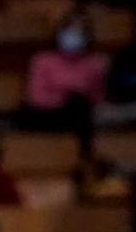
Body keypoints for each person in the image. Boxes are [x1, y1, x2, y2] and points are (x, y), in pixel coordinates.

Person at [24, 10, 108, 154]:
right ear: (60, 32)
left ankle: (83, 156)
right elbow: (36, 98)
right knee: (76, 102)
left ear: (87, 36)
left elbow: (98, 99)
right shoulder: (42, 60)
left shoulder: (94, 65)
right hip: (47, 115)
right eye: (70, 30)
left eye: (79, 32)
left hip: (80, 116)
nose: (73, 36)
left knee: (80, 105)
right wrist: (65, 95)